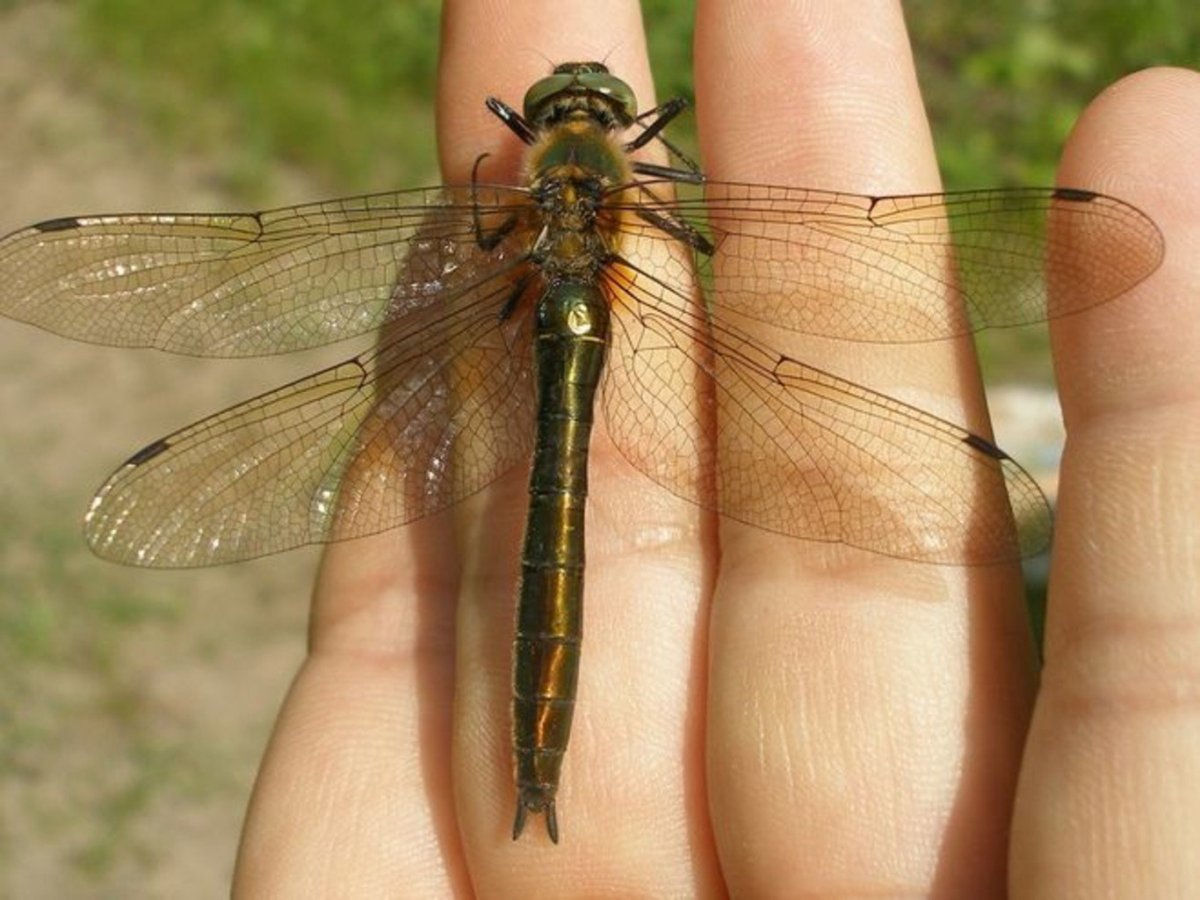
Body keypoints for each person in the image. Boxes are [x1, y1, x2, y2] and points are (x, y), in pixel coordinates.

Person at [233, 1, 1200, 895]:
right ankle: (535, 773)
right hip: (604, 298)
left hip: (533, 306)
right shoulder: (633, 181)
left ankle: (536, 773)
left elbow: (490, 239)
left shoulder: (523, 192)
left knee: (549, 506)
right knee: (568, 501)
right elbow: (687, 220)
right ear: (619, 136)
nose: (582, 106)